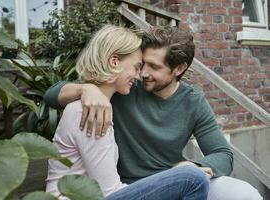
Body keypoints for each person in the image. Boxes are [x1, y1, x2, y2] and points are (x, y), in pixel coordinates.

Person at [45, 25, 262, 199]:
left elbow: (223, 155)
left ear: (178, 69)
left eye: (153, 67)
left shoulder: (192, 101)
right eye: (141, 65)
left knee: (244, 194)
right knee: (191, 179)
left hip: (173, 179)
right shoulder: (122, 89)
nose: (143, 74)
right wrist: (85, 89)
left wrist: (195, 165)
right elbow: (51, 95)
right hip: (129, 186)